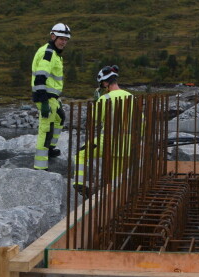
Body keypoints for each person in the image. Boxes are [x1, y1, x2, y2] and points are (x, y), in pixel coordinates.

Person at [73, 65, 135, 196]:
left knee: (81, 154)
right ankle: (114, 199)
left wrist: (97, 101)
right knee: (115, 182)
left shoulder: (105, 99)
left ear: (106, 83)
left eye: (102, 85)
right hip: (127, 145)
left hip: (108, 141)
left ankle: (79, 184)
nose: (102, 88)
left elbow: (93, 121)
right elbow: (142, 123)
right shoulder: (132, 97)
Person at [31, 23, 70, 170]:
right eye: (61, 39)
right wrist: (44, 102)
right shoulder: (48, 53)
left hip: (52, 96)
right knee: (46, 129)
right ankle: (40, 166)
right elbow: (40, 78)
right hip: (46, 96)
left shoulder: (54, 53)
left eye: (66, 40)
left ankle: (50, 148)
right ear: (53, 36)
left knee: (60, 118)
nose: (64, 42)